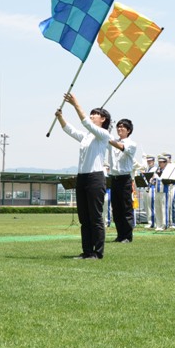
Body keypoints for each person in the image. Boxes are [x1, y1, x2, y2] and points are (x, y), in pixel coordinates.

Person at [55, 92, 112, 259]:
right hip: (82, 178)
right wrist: (60, 117)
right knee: (84, 218)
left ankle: (97, 252)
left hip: (96, 178)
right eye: (92, 113)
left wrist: (75, 104)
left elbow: (85, 122)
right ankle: (86, 251)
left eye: (96, 114)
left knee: (95, 218)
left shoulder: (104, 135)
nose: (93, 116)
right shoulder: (87, 137)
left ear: (103, 120)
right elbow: (70, 130)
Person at [107, 118, 138, 243]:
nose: (119, 129)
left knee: (126, 208)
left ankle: (127, 236)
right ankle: (120, 235)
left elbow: (121, 147)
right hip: (114, 179)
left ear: (128, 130)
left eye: (123, 127)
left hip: (125, 179)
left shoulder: (131, 143)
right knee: (116, 208)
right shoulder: (113, 141)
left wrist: (108, 138)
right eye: (118, 127)